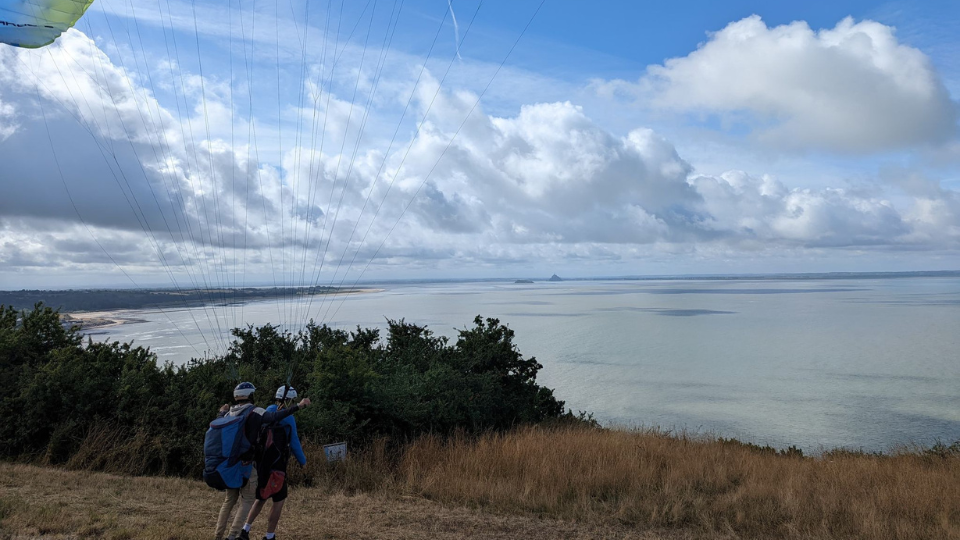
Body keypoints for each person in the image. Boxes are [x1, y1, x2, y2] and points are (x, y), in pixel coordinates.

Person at [214, 382, 311, 540]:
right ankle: (257, 535)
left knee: (246, 499)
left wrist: (221, 412)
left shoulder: (237, 412)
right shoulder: (260, 412)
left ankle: (231, 533)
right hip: (268, 466)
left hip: (243, 464)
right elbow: (293, 440)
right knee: (263, 500)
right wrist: (303, 461)